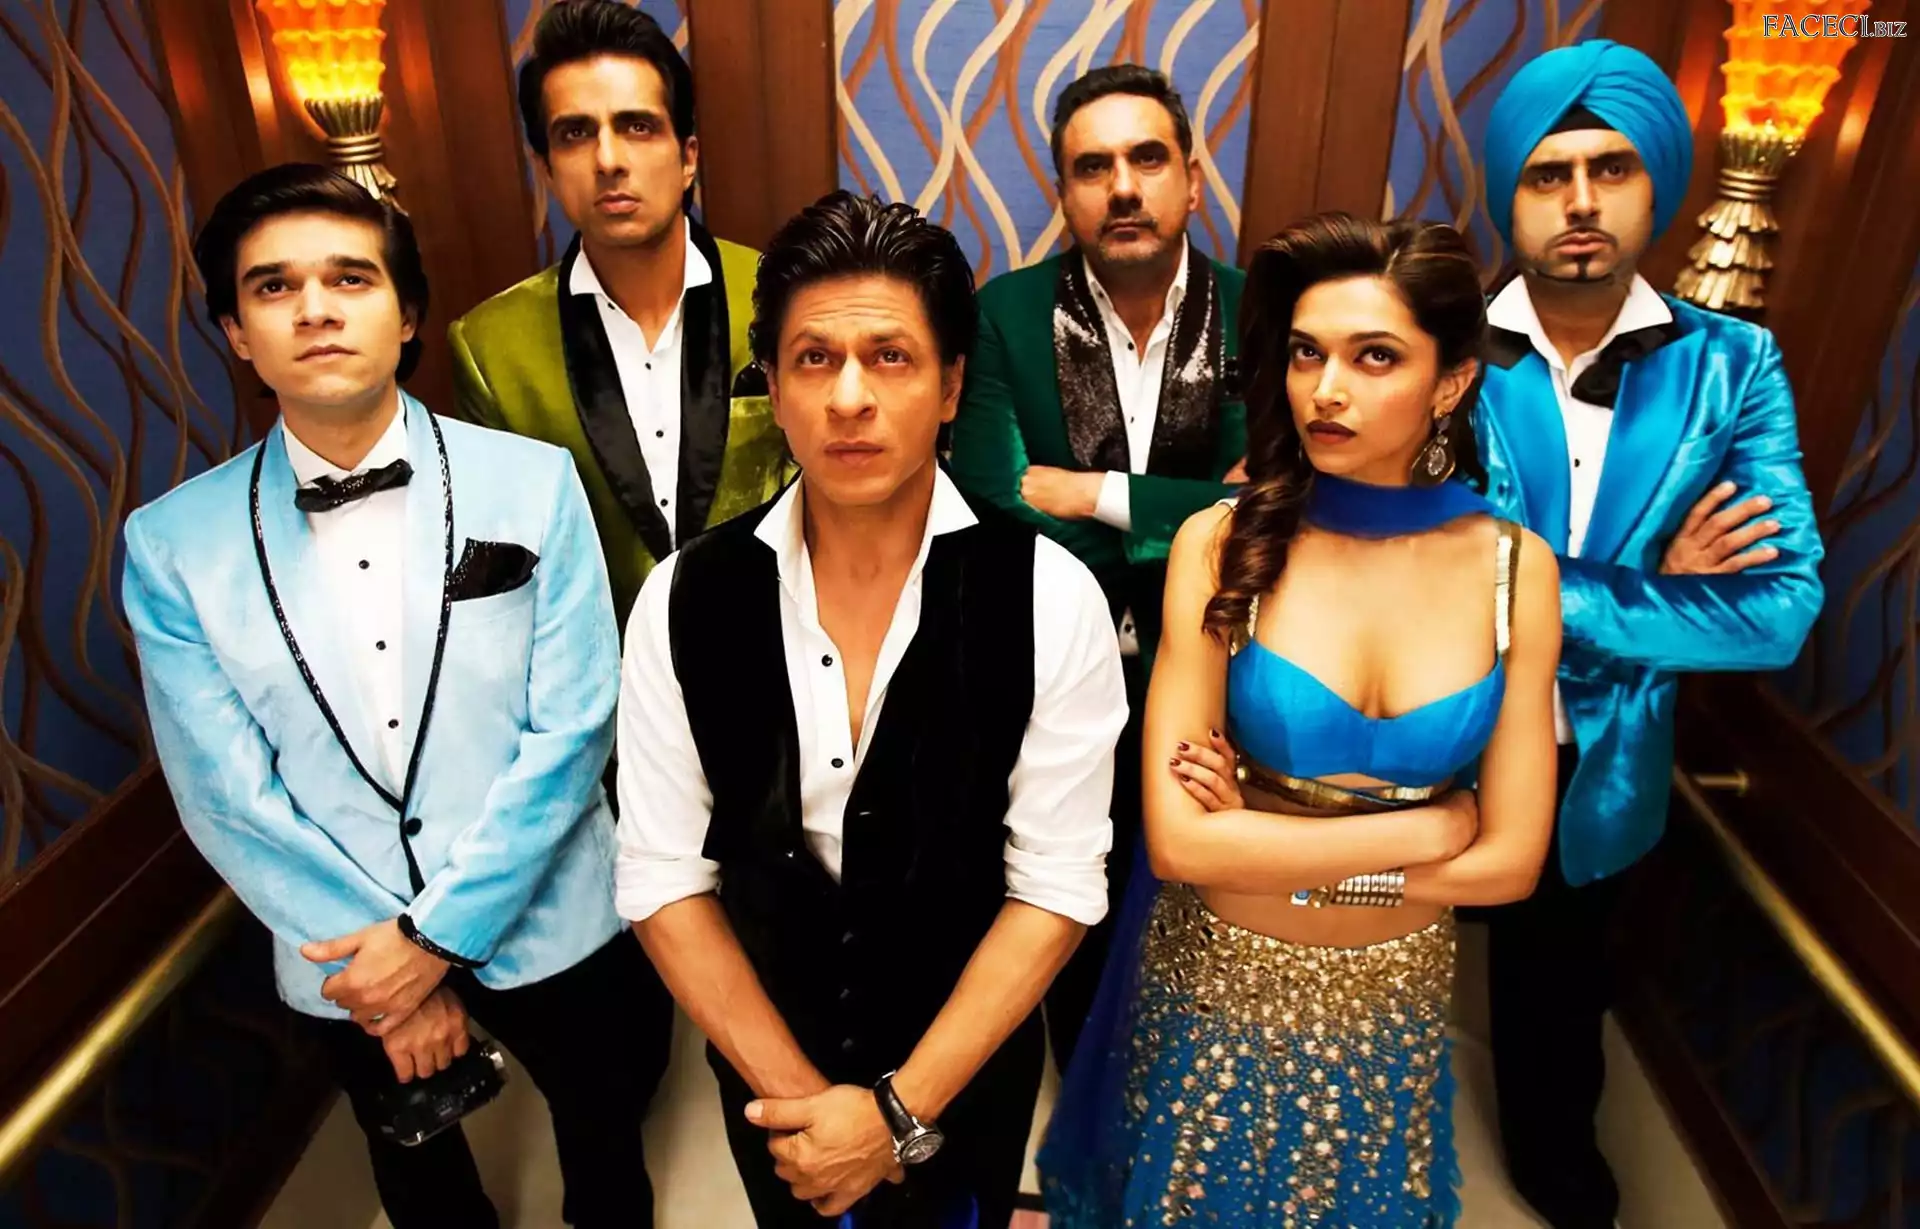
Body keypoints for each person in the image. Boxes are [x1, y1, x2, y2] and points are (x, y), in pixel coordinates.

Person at [123, 164, 670, 1229]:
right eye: (274, 286)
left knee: (610, 1155)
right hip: (344, 946)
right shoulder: (171, 544)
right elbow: (224, 790)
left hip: (551, 907)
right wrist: (389, 962)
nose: (315, 308)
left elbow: (574, 724)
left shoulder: (534, 480)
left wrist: (438, 937)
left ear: (407, 312)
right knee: (424, 1191)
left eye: (350, 277)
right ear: (236, 332)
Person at [614, 191, 1127, 1228]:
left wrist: (895, 1112)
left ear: (951, 386)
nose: (849, 396)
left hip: (964, 1075)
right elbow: (663, 878)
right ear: (775, 387)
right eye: (815, 359)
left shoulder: (1049, 595)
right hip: (772, 1083)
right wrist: (810, 1108)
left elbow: (1057, 886)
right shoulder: (682, 595)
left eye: (890, 356)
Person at [1039, 212, 1563, 1227]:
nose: (1326, 388)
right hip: (1216, 983)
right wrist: (1431, 825)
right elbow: (1183, 844)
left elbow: (1511, 865)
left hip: (1390, 998)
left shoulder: (1514, 570)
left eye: (1376, 357)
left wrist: (1265, 840)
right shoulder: (1221, 544)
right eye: (1307, 353)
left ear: (1451, 382)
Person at [1473, 41, 1824, 1229]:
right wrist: (1651, 591)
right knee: (1382, 969)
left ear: (1653, 183)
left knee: (1558, 996)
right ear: (1510, 193)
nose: (1580, 200)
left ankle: (1553, 1164)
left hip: (1603, 761)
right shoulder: (1435, 347)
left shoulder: (1736, 368)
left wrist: (1526, 590)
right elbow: (1410, 568)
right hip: (1434, 736)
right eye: (1549, 173)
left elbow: (1778, 612)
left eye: (1610, 168)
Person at [947, 63, 1247, 1066]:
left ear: (1192, 180)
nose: (1123, 187)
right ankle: (1080, 1066)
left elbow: (1269, 506)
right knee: (1062, 883)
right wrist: (1189, 513)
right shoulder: (1004, 313)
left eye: (1147, 159)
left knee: (1197, 896)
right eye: (1093, 166)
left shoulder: (1258, 311)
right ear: (1064, 191)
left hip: (1218, 662)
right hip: (1048, 660)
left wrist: (1095, 492)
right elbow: (995, 493)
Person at [450, 0, 789, 626]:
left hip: (780, 651)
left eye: (637, 126)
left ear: (688, 157)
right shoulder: (489, 348)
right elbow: (507, 564)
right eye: (576, 133)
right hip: (605, 668)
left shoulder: (784, 295)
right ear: (546, 169)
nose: (608, 159)